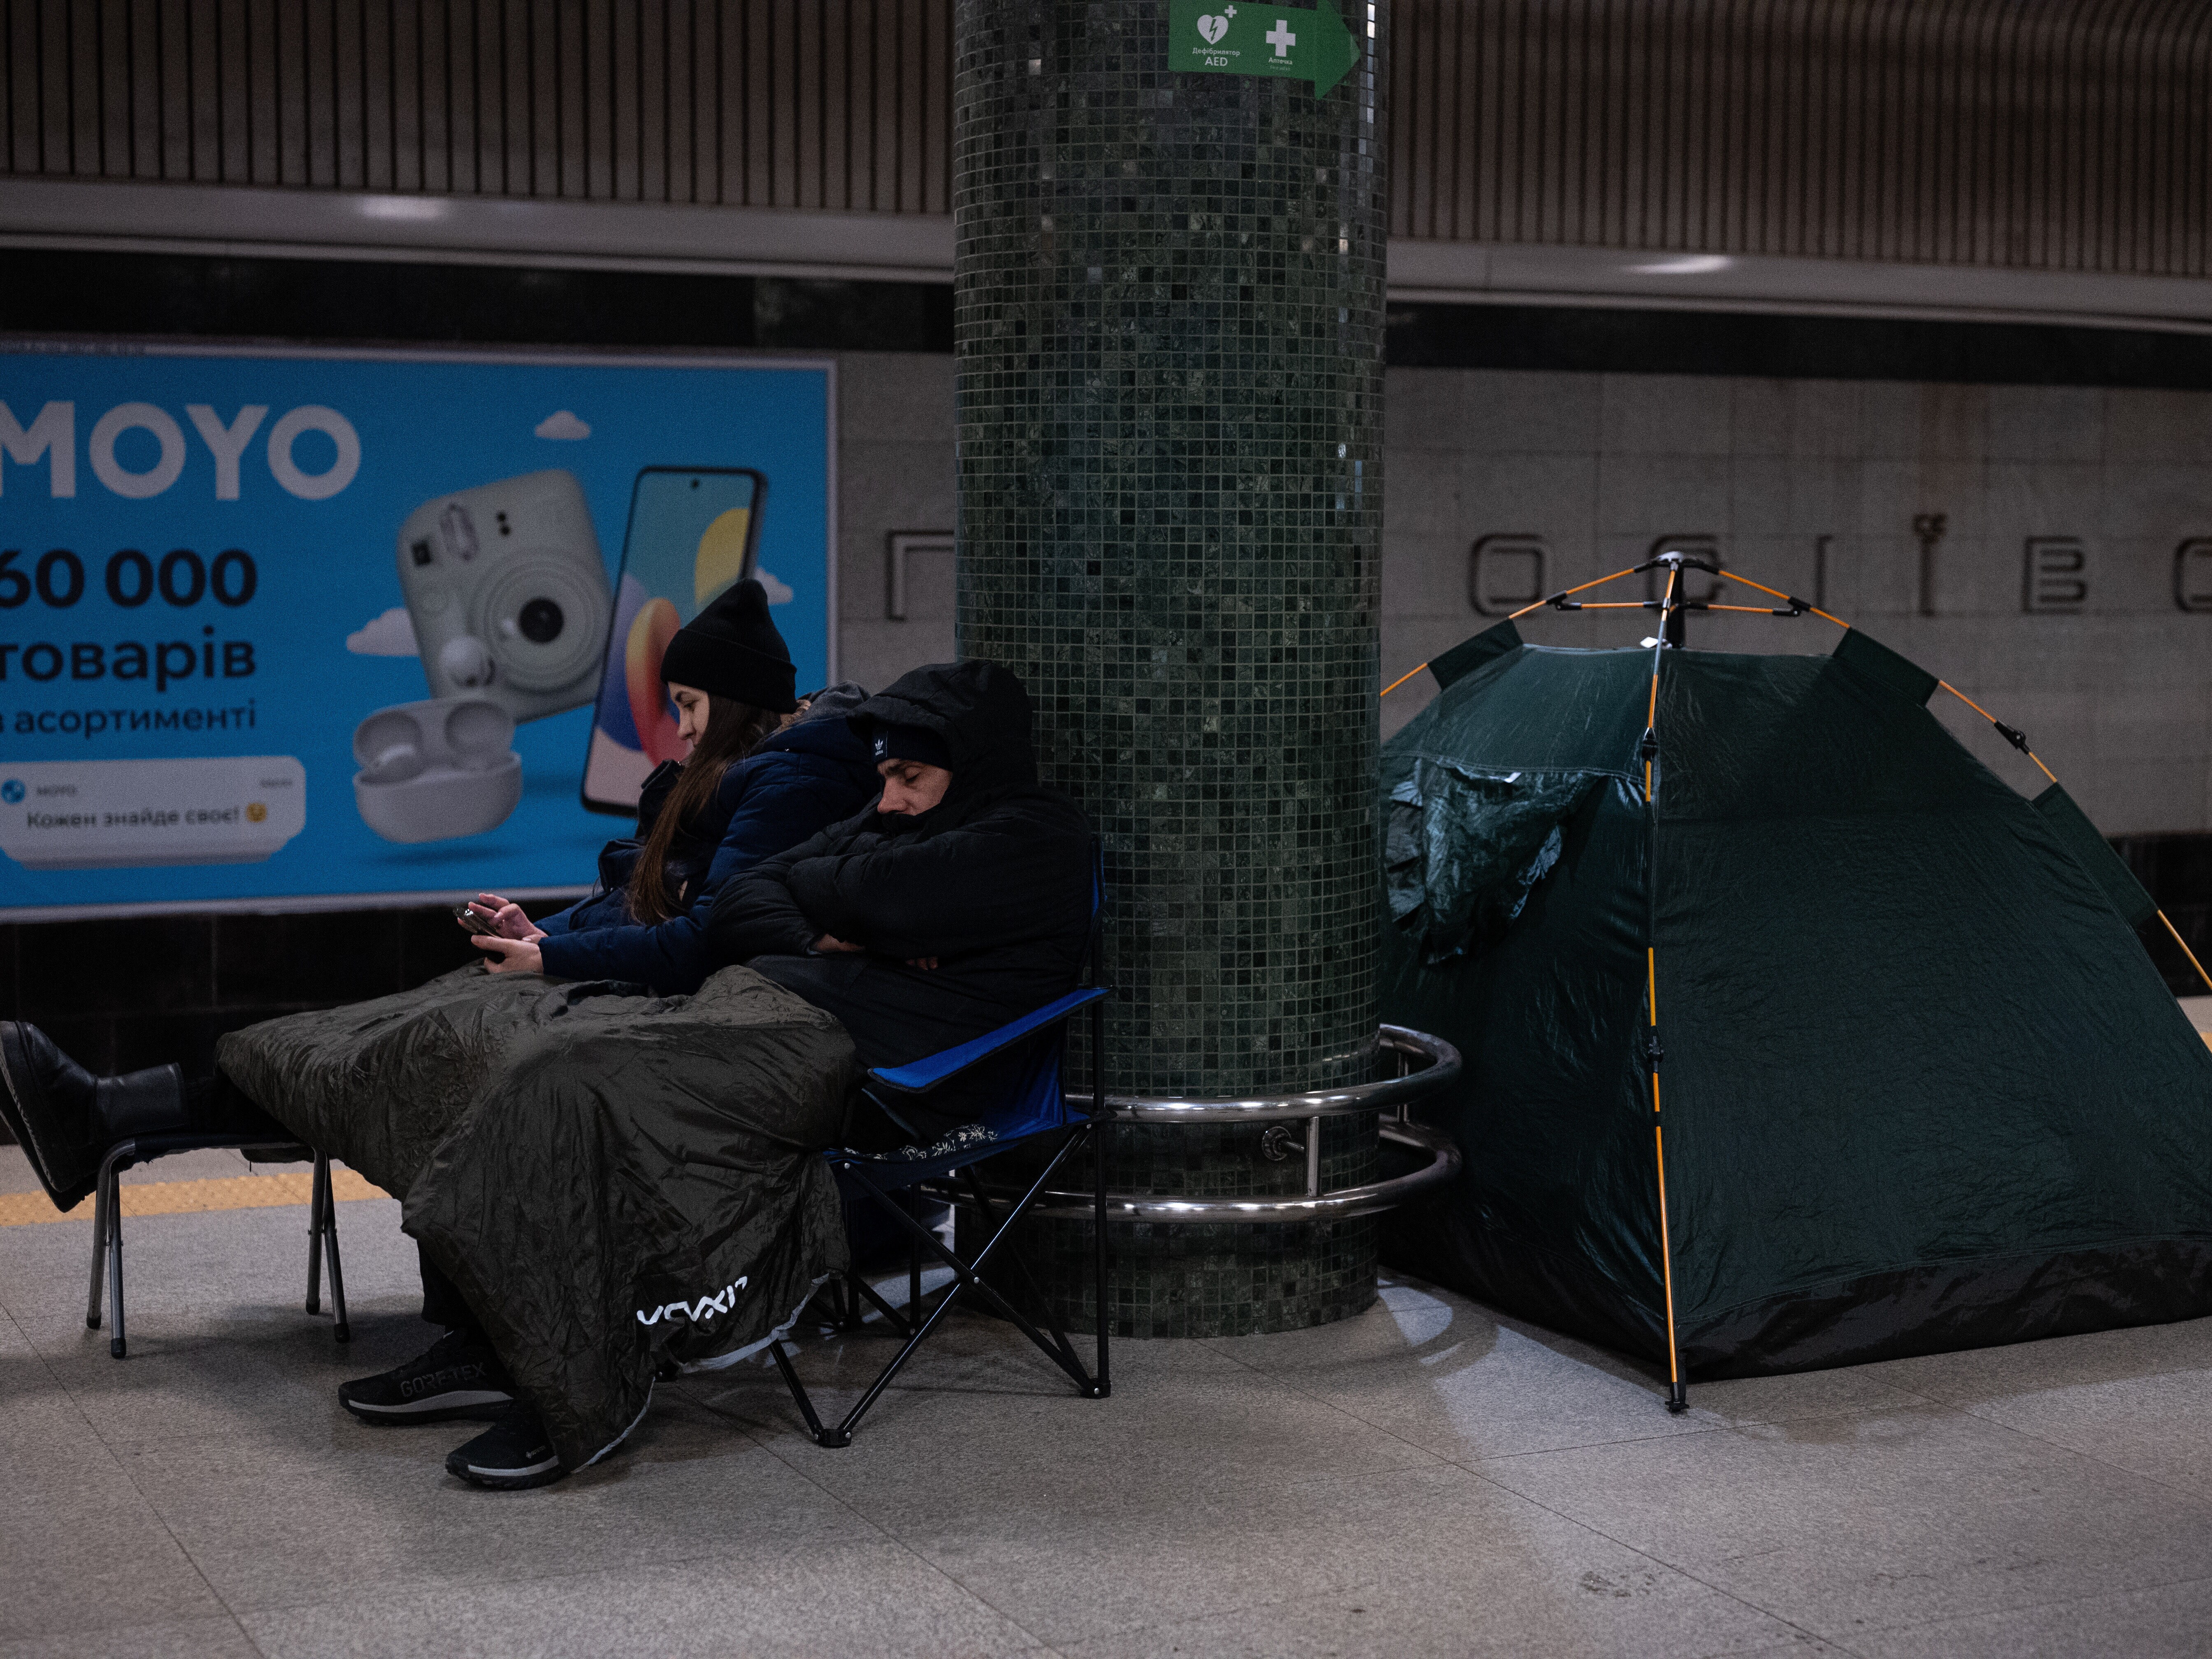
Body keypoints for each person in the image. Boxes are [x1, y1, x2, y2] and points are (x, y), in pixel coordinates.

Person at [0, 579, 877, 1488]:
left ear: (733, 703)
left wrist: (552, 963)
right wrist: (546, 932)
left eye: (691, 705)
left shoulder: (792, 781)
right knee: (390, 1030)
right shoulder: (726, 777)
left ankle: (502, 1342)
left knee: (457, 1057)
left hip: (686, 1006)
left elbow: (707, 936)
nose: (681, 728)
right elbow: (640, 902)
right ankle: (111, 1112)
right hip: (631, 979)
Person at [707, 658, 1094, 1142]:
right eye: (885, 778)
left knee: (623, 1084)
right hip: (775, 1033)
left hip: (881, 1086)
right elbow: (733, 902)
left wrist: (808, 879)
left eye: (910, 777)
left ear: (970, 766)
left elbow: (889, 901)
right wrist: (818, 937)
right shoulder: (883, 824)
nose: (889, 801)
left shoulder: (1035, 834)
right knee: (595, 1057)